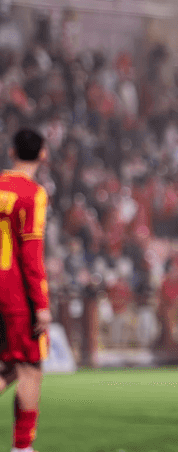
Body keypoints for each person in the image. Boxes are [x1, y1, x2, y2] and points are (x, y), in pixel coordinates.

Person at [0, 129, 51, 452]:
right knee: (30, 369)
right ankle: (22, 447)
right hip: (16, 294)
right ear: (43, 154)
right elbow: (31, 254)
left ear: (11, 151)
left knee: (7, 367)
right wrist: (41, 304)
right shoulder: (33, 194)